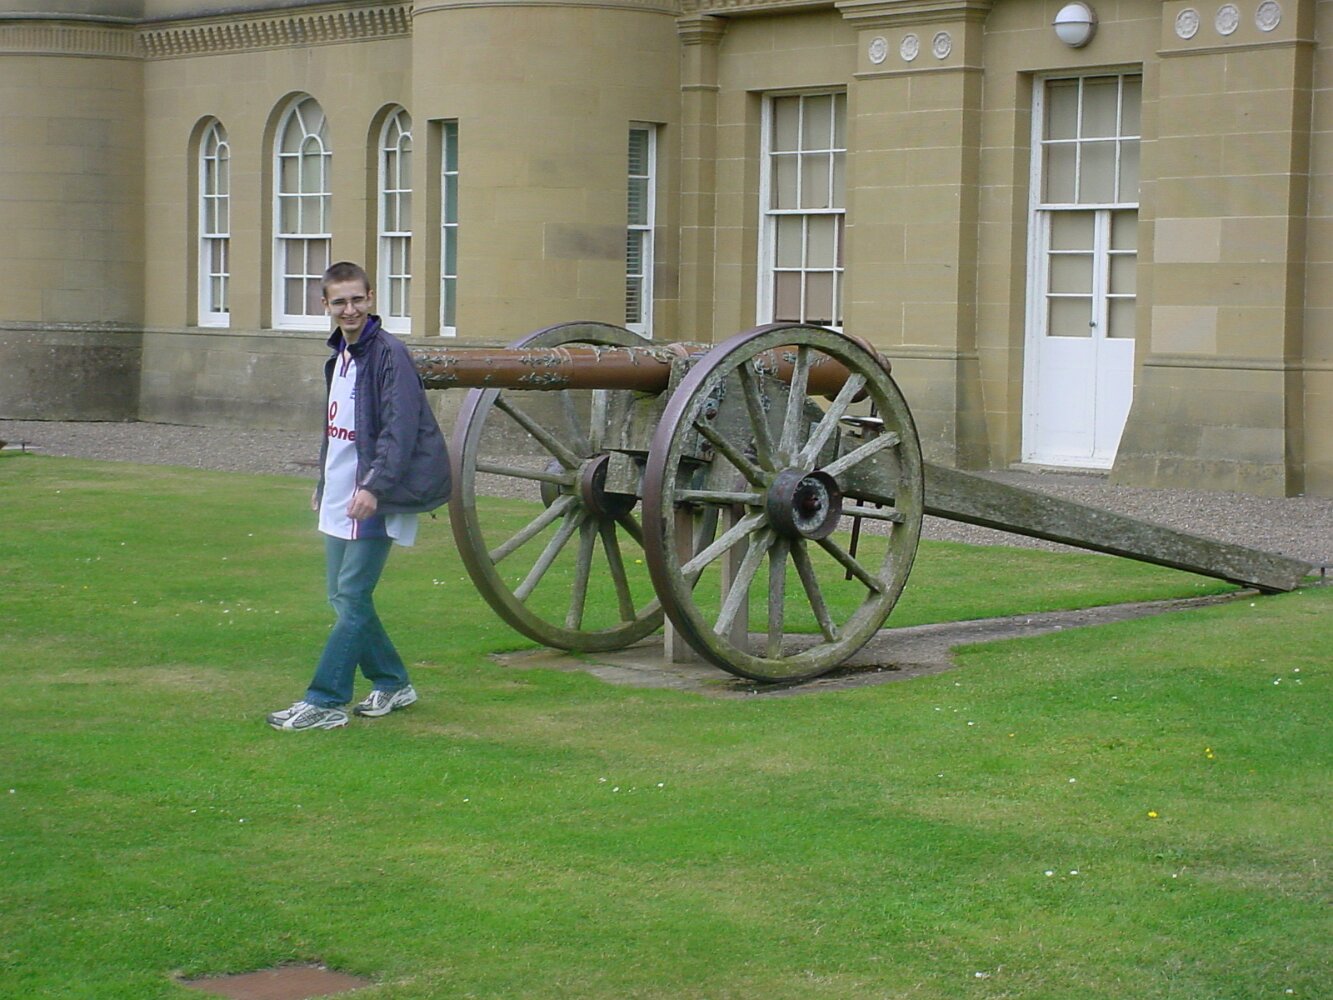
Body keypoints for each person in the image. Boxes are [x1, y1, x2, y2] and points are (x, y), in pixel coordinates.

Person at [268, 261, 451, 731]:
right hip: (340, 491)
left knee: (351, 592)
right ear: (325, 305)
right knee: (341, 595)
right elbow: (337, 430)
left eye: (357, 299)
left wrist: (374, 487)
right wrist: (323, 484)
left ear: (371, 299)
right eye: (340, 302)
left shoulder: (390, 354)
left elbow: (399, 430)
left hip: (375, 493)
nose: (349, 309)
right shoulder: (340, 357)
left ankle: (325, 701)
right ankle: (393, 681)